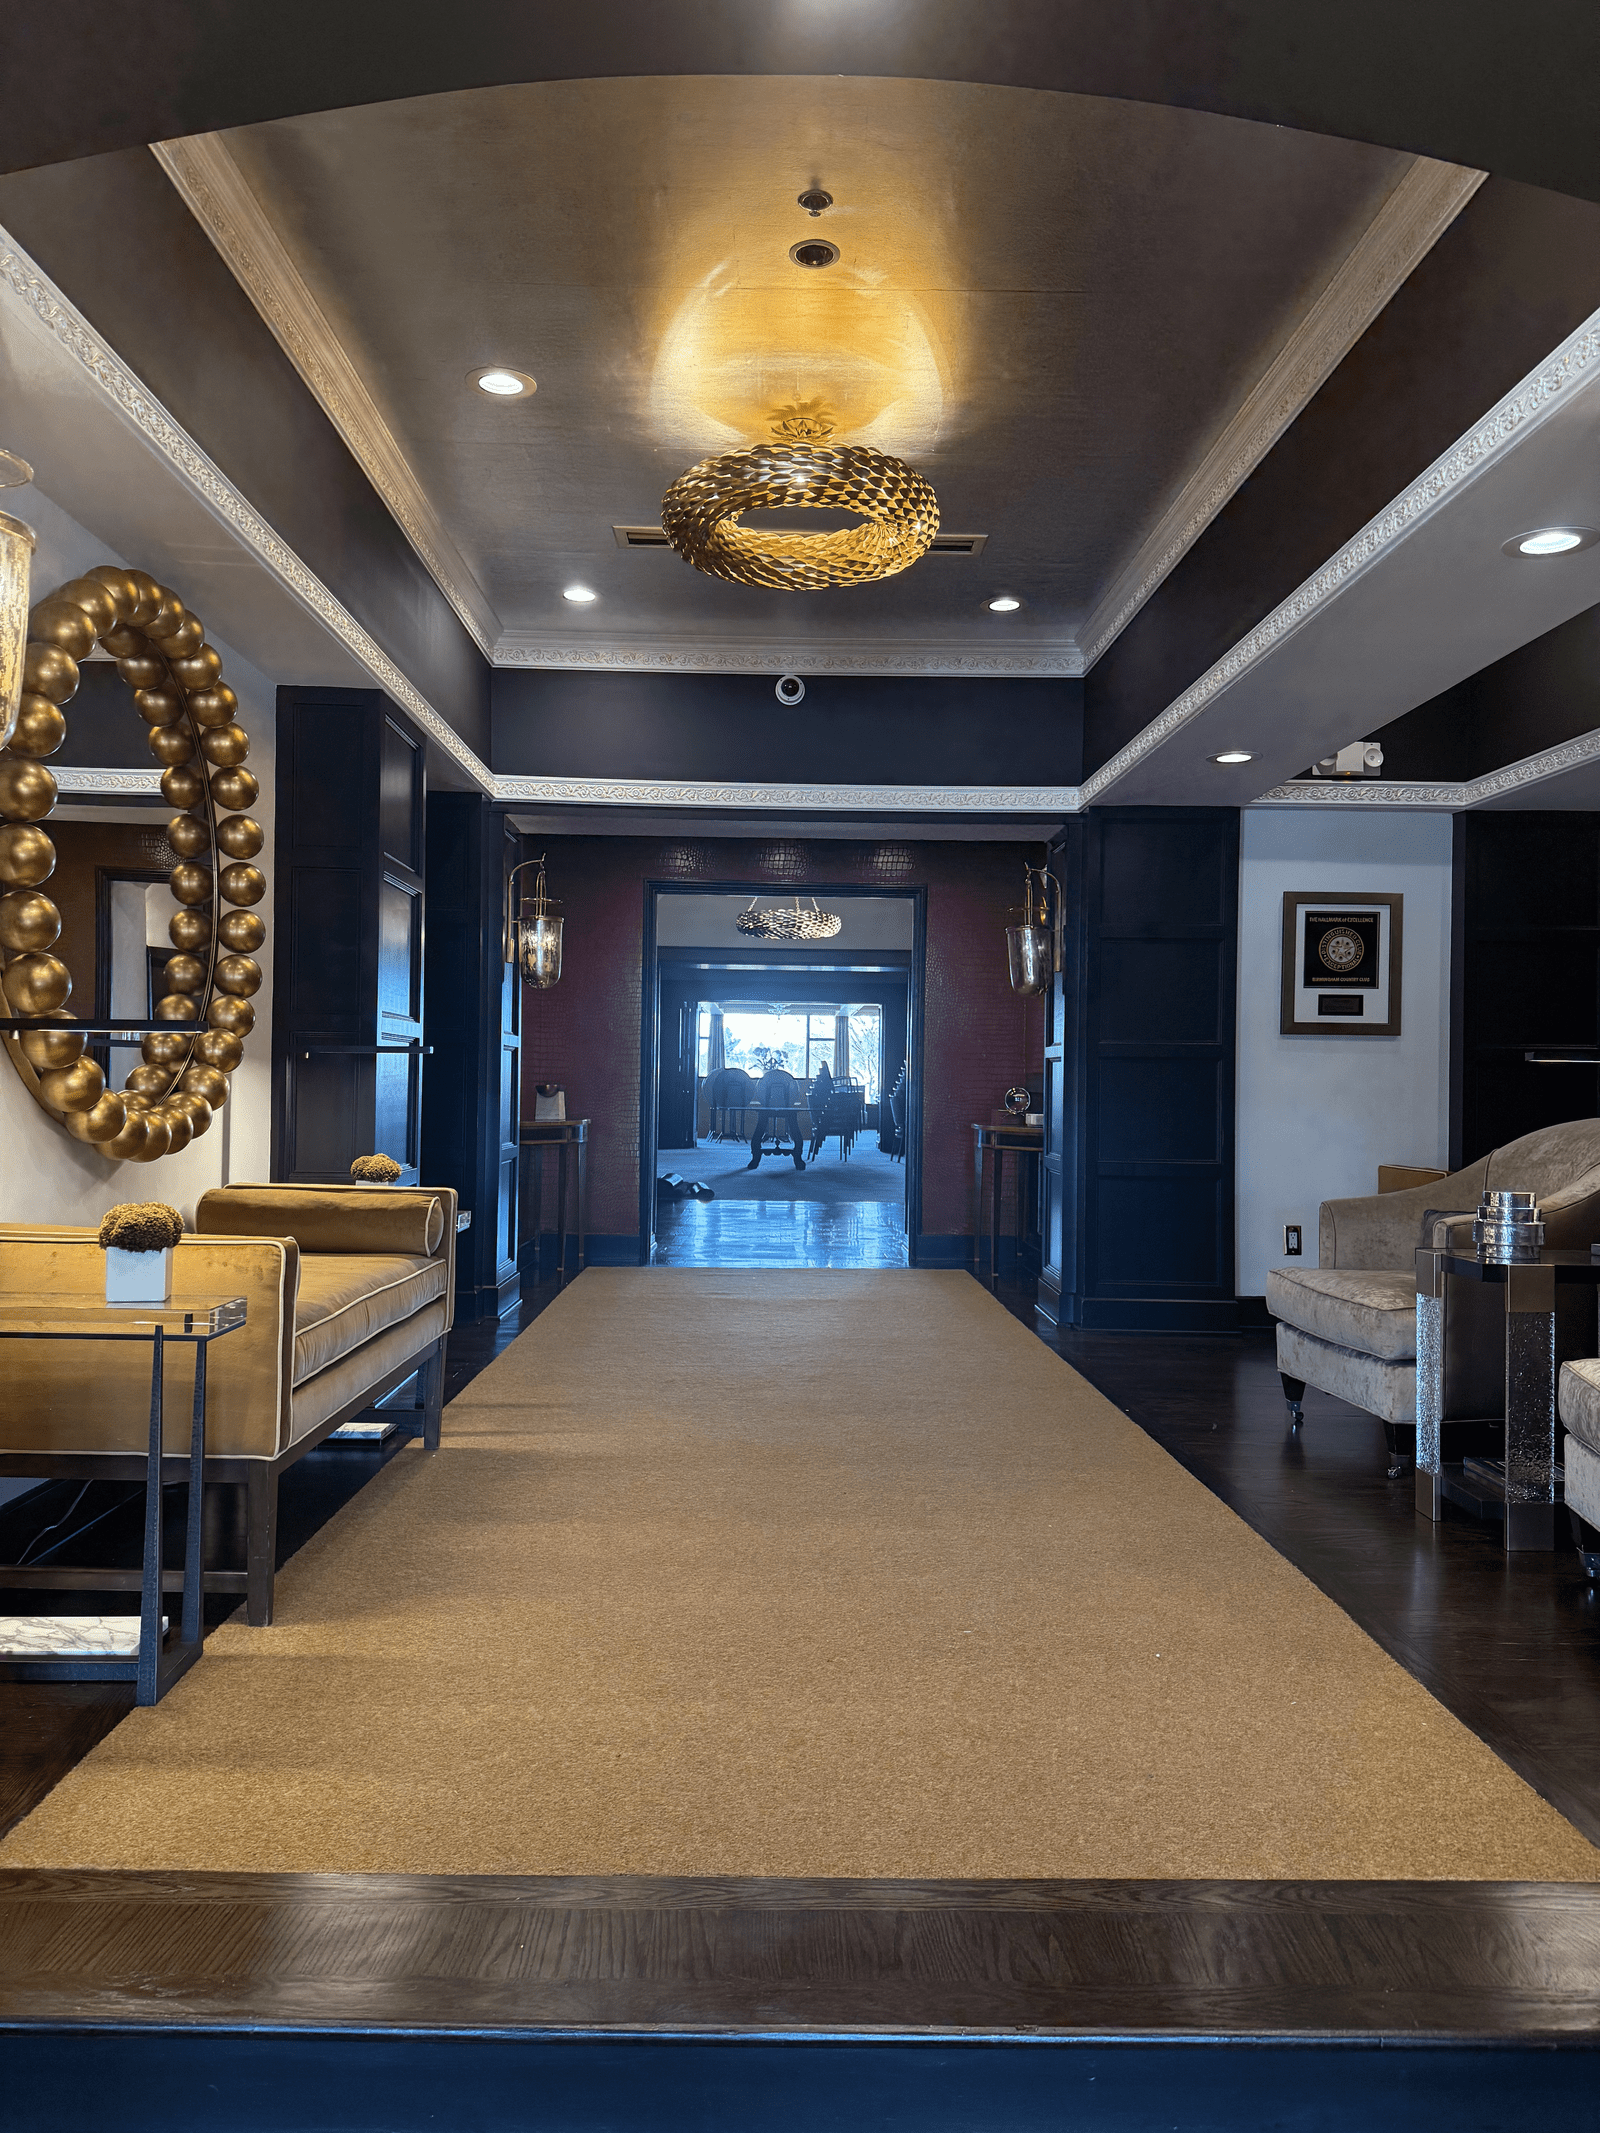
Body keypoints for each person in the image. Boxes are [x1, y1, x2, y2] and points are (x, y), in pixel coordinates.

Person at [746, 1060, 806, 1171]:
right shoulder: (786, 1082)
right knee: (793, 1127)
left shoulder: (768, 1081)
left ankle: (756, 1159)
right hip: (780, 1107)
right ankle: (797, 1159)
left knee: (760, 1129)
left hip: (776, 1107)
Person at [807, 1056, 834, 1160]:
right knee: (844, 1114)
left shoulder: (816, 1092)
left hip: (818, 1120)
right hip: (823, 1121)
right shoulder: (822, 1089)